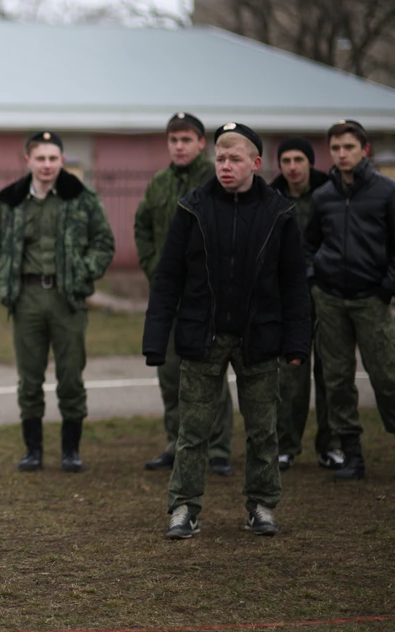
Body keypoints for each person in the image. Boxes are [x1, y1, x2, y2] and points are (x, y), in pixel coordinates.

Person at [143, 123, 310, 540]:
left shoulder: (279, 212)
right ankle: (184, 507)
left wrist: (296, 341)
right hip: (204, 336)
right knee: (193, 428)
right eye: (220, 158)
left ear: (255, 163)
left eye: (235, 159)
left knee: (262, 429)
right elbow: (168, 278)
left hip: (260, 338)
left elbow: (294, 283)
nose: (225, 166)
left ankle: (261, 505)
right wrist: (155, 339)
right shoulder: (192, 207)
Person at [0, 131, 115, 473]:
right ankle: (33, 450)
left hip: (67, 299)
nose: (47, 165)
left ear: (62, 160)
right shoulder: (12, 199)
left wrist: (83, 275)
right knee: (29, 378)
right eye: (40, 158)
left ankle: (71, 450)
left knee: (71, 375)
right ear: (28, 161)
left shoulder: (82, 198)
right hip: (26, 297)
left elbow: (104, 242)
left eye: (53, 158)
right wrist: (2, 283)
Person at [134, 113, 235, 476]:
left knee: (211, 371)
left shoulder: (216, 179)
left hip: (209, 296)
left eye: (186, 139)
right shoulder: (159, 184)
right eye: (173, 139)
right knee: (170, 372)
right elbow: (142, 225)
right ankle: (176, 444)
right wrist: (154, 269)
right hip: (169, 297)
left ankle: (219, 448)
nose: (179, 146)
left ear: (200, 143)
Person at [305, 120, 395, 481]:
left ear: (365, 150)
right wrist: (314, 278)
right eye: (336, 148)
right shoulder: (323, 196)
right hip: (330, 300)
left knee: (386, 376)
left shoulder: (386, 192)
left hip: (371, 298)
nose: (341, 155)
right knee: (337, 379)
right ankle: (352, 455)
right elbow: (310, 244)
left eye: (349, 148)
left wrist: (386, 288)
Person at [269, 138, 342, 471]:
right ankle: (286, 446)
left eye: (299, 159)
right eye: (286, 160)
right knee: (290, 376)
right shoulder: (271, 197)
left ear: (310, 162)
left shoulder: (331, 194)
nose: (292, 166)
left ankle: (331, 445)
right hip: (286, 299)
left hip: (327, 293)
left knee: (330, 373)